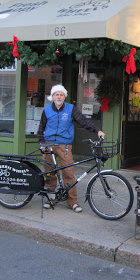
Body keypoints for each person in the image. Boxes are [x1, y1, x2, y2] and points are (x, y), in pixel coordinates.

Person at [37, 84, 105, 212]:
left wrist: (97, 130)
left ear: (64, 97)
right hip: (49, 144)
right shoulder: (46, 110)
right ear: (52, 96)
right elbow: (41, 127)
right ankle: (51, 198)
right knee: (49, 172)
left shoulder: (71, 109)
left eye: (61, 94)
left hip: (65, 145)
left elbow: (84, 121)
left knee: (68, 172)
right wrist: (41, 143)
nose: (59, 96)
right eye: (57, 94)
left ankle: (72, 201)